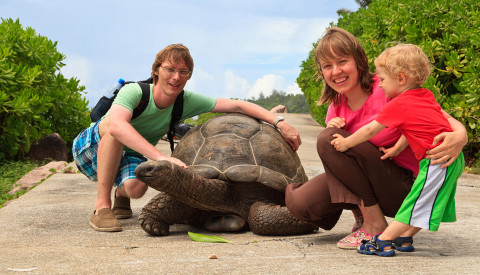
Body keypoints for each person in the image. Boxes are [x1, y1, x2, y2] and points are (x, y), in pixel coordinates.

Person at [72, 43, 302, 232]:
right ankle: (102, 207)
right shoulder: (135, 91)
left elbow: (237, 105)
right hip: (92, 148)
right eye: (170, 69)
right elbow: (117, 126)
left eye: (183, 72)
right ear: (156, 70)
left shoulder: (183, 100)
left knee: (137, 189)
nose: (176, 77)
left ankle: (122, 191)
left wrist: (279, 122)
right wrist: (162, 159)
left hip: (132, 153)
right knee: (114, 130)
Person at [284, 27, 467, 250]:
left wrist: (460, 135)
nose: (336, 71)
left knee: (328, 139)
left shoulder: (389, 86)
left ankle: (374, 225)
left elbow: (440, 117)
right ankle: (362, 216)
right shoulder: (336, 108)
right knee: (301, 203)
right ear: (322, 72)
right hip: (372, 181)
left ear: (359, 60)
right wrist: (335, 129)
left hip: (404, 188)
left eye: (342, 61)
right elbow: (343, 163)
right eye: (327, 66)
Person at [331, 43, 464, 256]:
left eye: (382, 80)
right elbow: (410, 129)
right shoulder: (425, 95)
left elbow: (370, 130)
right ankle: (404, 237)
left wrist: (346, 143)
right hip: (452, 158)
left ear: (400, 79)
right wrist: (395, 149)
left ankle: (382, 241)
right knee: (432, 201)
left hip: (437, 160)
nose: (380, 85)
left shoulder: (398, 104)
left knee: (417, 201)